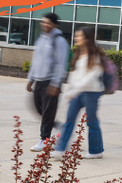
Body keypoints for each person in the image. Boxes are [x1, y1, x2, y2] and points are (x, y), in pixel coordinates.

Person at [52, 26, 107, 160]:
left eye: (79, 36)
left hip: (92, 92)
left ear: (87, 38)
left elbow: (91, 77)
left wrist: (75, 90)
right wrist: (69, 91)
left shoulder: (95, 55)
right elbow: (74, 75)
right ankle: (60, 149)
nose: (76, 38)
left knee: (91, 121)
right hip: (77, 93)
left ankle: (96, 151)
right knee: (69, 120)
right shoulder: (78, 54)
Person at [26, 13, 69, 151]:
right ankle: (58, 126)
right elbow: (35, 60)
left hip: (51, 82)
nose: (45, 25)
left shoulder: (60, 41)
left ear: (54, 25)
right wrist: (30, 79)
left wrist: (56, 84)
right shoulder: (41, 38)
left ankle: (44, 140)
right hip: (39, 80)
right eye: (43, 22)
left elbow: (61, 64)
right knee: (38, 109)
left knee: (47, 112)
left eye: (48, 23)